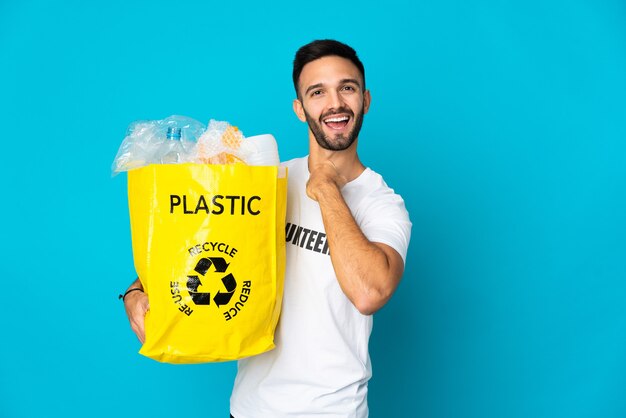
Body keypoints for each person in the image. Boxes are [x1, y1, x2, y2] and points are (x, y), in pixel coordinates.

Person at [122, 39, 412, 417]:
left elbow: (369, 292)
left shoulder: (383, 204)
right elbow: (193, 245)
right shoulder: (265, 182)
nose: (335, 103)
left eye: (347, 88)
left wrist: (325, 186)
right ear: (300, 108)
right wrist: (134, 291)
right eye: (317, 92)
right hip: (249, 408)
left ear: (365, 100)